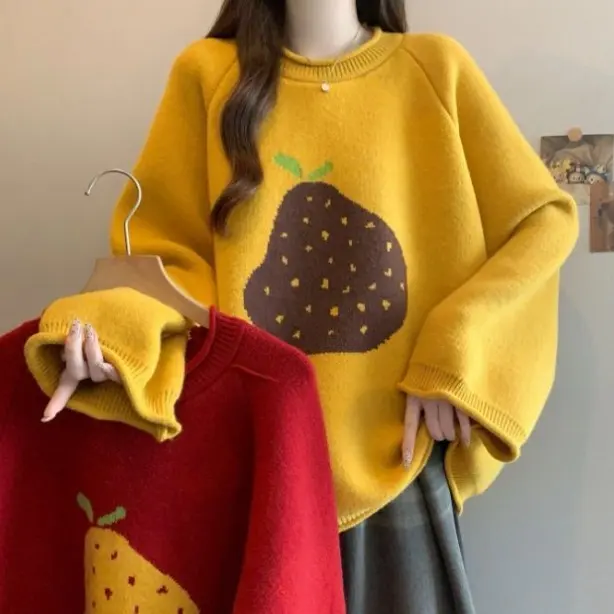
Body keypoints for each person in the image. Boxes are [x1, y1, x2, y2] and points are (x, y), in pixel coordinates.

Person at [42, 0, 579, 611]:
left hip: (396, 468)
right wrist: (117, 336)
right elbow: (166, 262)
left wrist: (458, 353)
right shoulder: (207, 76)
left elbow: (542, 223)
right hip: (255, 470)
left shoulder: (436, 69)